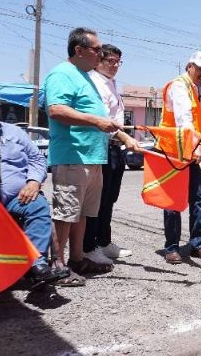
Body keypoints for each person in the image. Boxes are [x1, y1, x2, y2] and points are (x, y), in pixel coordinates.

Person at [0, 85, 66, 293]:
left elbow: (36, 159)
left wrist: (33, 181)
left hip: (15, 197)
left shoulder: (14, 132)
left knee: (37, 205)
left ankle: (36, 265)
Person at [45, 27, 122, 280]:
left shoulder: (84, 76)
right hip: (73, 156)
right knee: (65, 214)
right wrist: (96, 121)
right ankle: (58, 266)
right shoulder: (62, 74)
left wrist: (121, 135)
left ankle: (77, 259)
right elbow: (56, 110)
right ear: (78, 50)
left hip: (92, 157)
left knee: (82, 213)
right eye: (96, 49)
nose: (100, 54)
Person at [83, 44, 140, 266]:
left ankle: (104, 241)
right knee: (96, 200)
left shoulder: (112, 83)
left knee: (110, 198)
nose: (115, 66)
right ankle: (89, 247)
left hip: (115, 148)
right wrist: (125, 137)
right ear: (98, 61)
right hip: (101, 146)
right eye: (110, 61)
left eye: (118, 62)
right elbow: (103, 119)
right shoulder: (94, 83)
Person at [158, 51, 201, 264]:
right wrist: (194, 147)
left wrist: (198, 147)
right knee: (173, 200)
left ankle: (198, 244)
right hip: (174, 152)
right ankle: (171, 248)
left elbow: (199, 124)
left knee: (198, 199)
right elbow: (184, 120)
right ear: (189, 66)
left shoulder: (197, 89)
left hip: (192, 151)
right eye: (200, 68)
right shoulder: (179, 86)